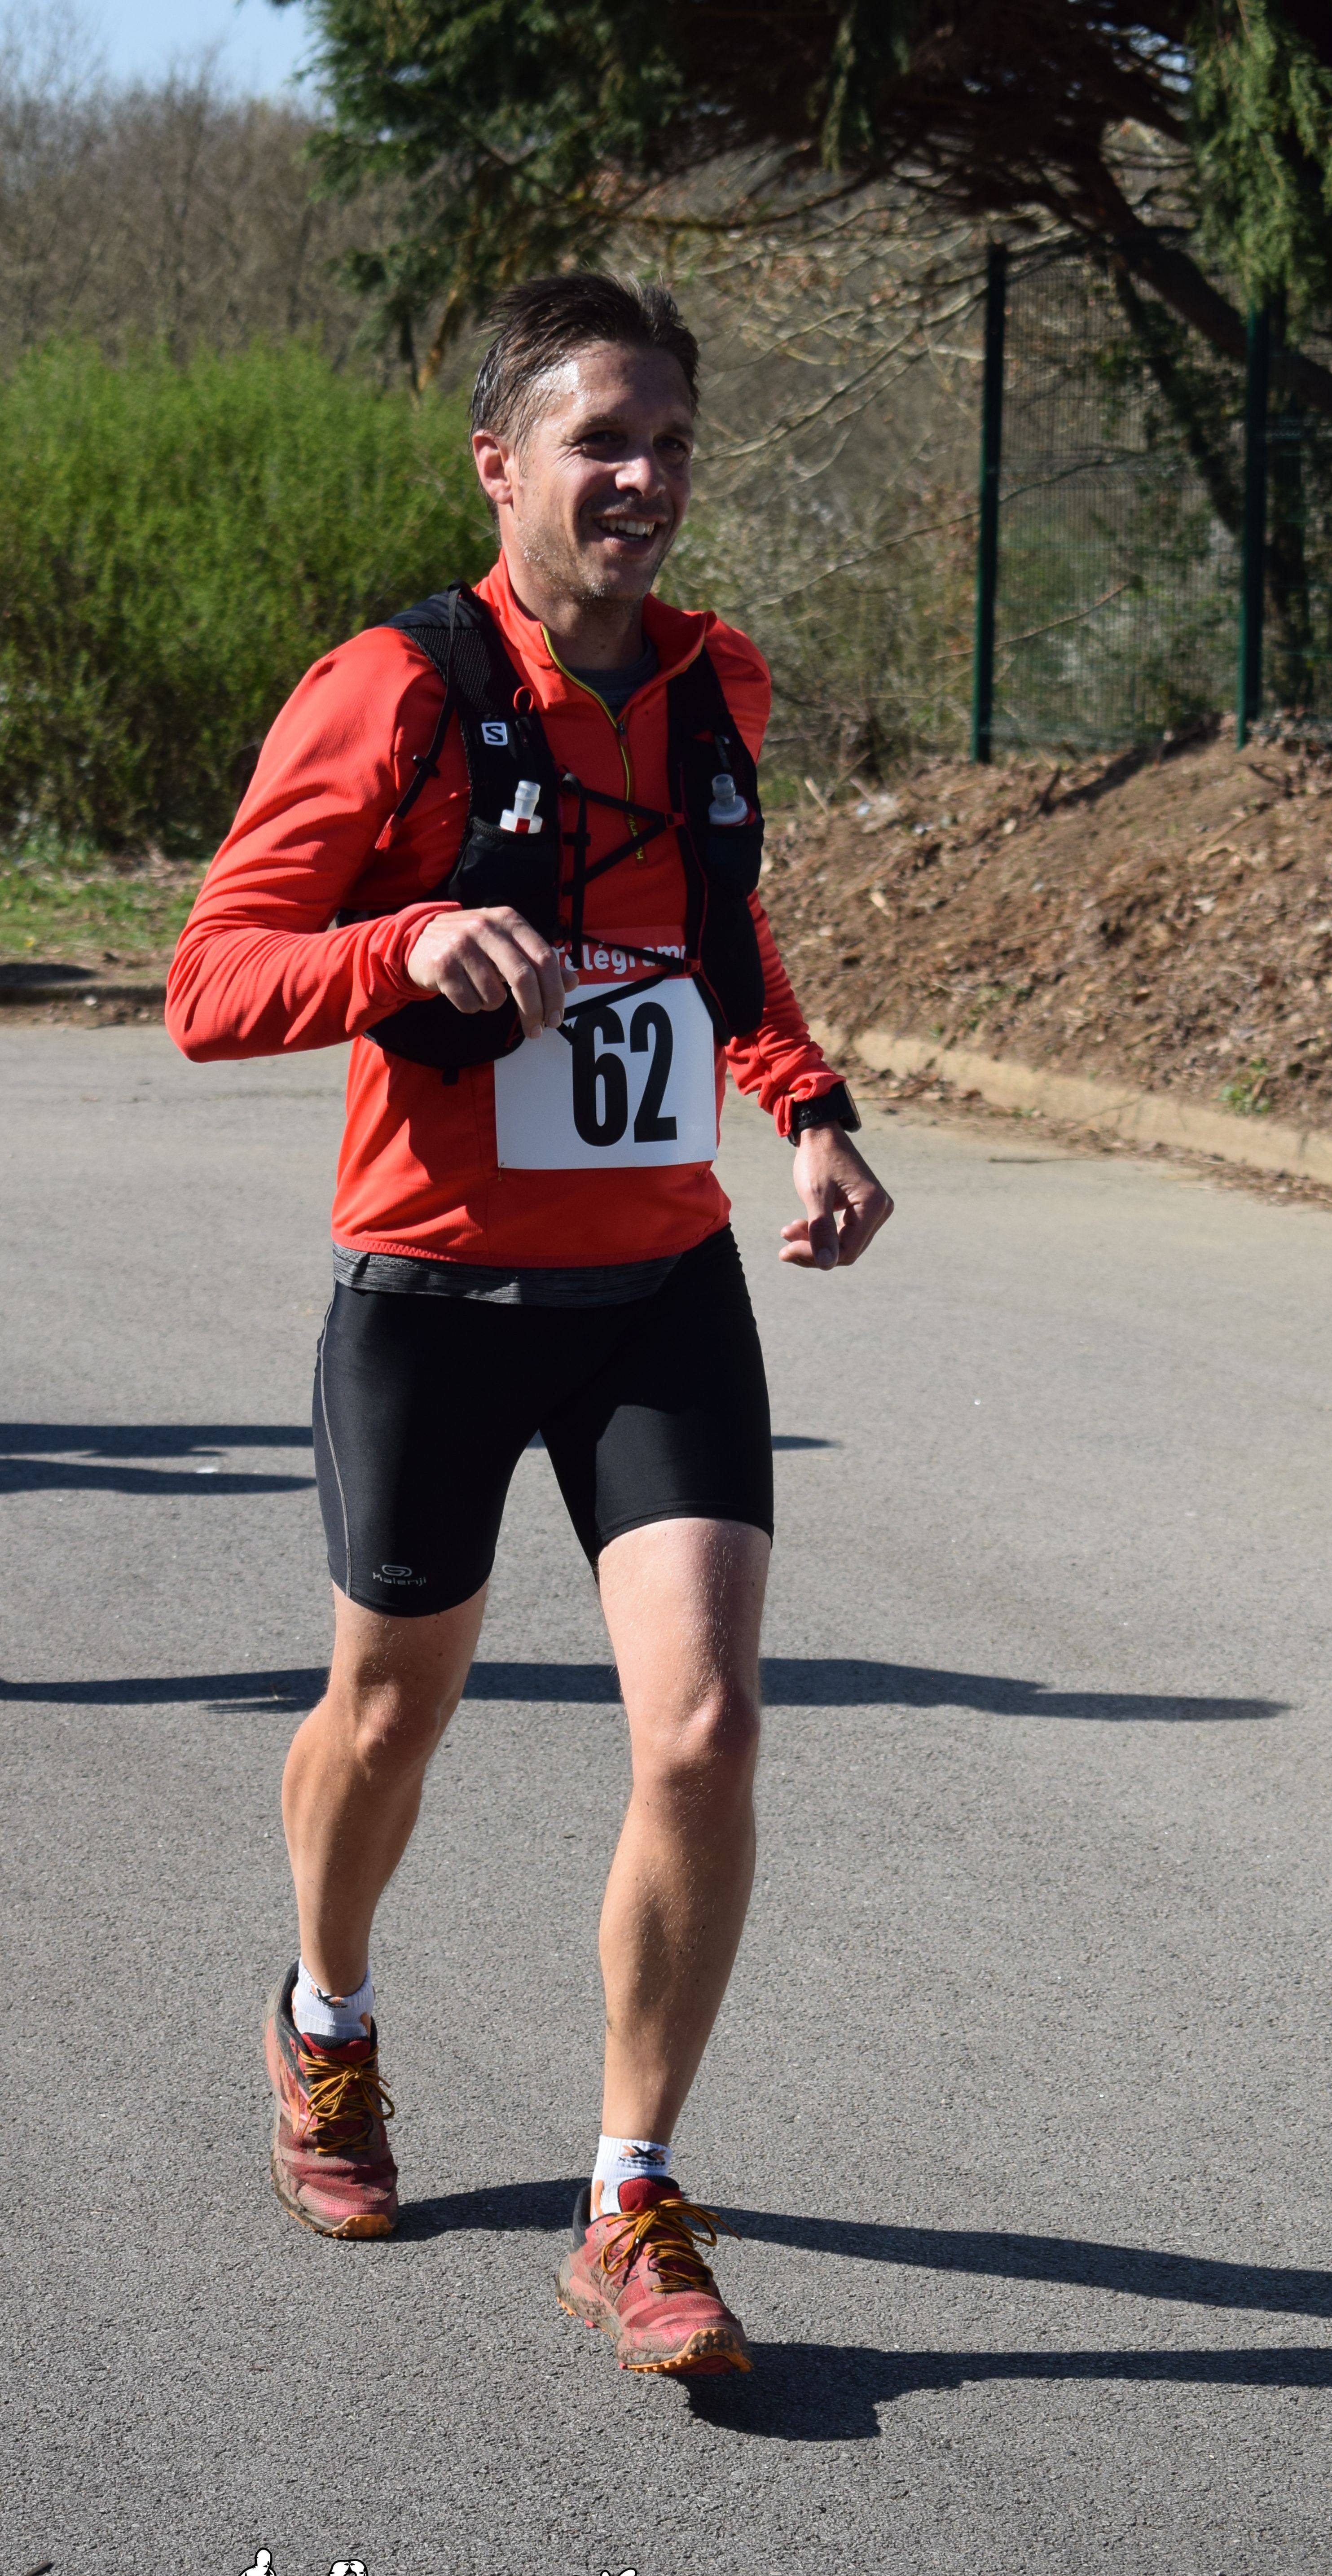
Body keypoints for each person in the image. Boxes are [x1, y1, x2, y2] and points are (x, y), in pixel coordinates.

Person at [168, 273, 892, 2377]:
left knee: (704, 1725)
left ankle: (627, 2192)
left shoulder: (713, 682)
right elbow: (211, 979)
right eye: (601, 441)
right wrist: (404, 942)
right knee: (386, 1717)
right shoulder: (390, 691)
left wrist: (806, 1105)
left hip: (657, 1288)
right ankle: (324, 2017)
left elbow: (714, 929)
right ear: (500, 465)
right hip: (434, 1291)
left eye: (669, 441)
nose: (642, 477)